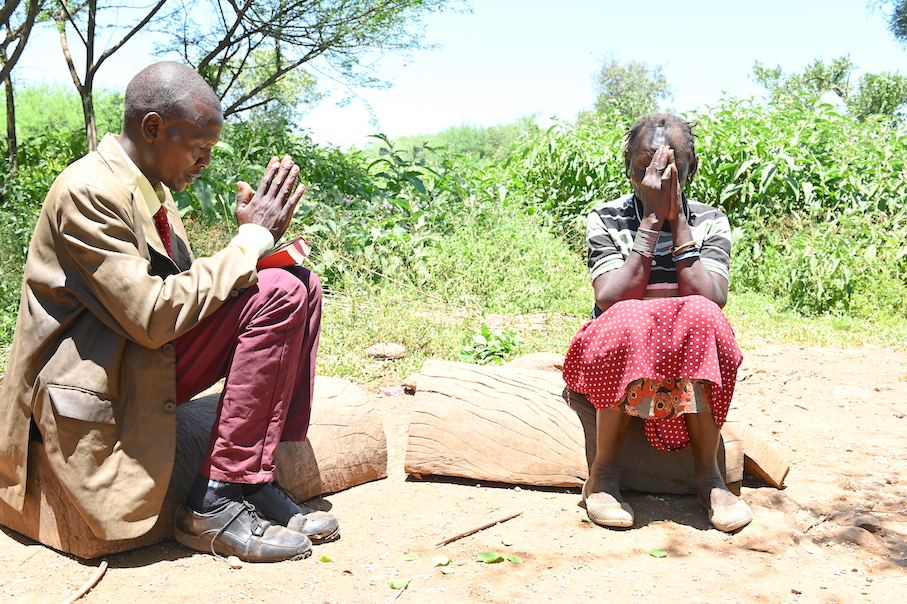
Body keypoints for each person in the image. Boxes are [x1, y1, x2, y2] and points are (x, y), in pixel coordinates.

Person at [0, 62, 338, 562]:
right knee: (277, 292)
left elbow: (171, 292)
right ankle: (213, 502)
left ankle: (251, 476)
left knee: (298, 283)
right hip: (96, 381)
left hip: (136, 356)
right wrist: (248, 244)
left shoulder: (150, 184)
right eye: (199, 148)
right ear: (152, 127)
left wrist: (254, 248)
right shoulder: (87, 190)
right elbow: (152, 315)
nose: (205, 161)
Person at [562, 113, 752, 532]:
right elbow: (610, 298)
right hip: (619, 348)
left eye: (671, 171)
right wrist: (650, 221)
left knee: (703, 313)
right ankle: (604, 475)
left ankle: (708, 477)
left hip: (685, 352)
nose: (657, 179)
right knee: (630, 314)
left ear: (691, 172)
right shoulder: (608, 217)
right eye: (645, 169)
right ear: (628, 167)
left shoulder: (710, 220)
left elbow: (711, 298)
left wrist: (677, 221)